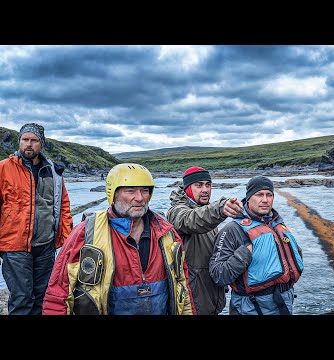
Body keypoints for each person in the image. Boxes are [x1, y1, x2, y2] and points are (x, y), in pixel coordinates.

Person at [42, 163, 195, 315]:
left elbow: (183, 289)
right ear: (112, 194)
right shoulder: (85, 234)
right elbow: (58, 295)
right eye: (130, 191)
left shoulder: (168, 234)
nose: (140, 198)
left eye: (145, 190)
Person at [0, 123, 73, 315]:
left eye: (34, 140)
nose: (29, 145)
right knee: (22, 299)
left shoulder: (53, 172)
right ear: (19, 142)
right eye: (25, 140)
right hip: (14, 247)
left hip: (46, 247)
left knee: (44, 297)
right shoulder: (3, 169)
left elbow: (63, 206)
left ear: (42, 144)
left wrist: (65, 242)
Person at [209, 175, 304, 315]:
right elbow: (218, 275)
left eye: (269, 195)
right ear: (248, 197)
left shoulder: (278, 224)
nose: (265, 200)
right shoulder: (232, 230)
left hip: (284, 301)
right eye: (259, 195)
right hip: (251, 306)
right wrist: (244, 254)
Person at [167, 166, 243, 315]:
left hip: (211, 295)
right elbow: (192, 220)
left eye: (208, 185)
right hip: (192, 300)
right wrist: (221, 208)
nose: (205, 190)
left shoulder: (206, 211)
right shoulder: (176, 212)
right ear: (188, 188)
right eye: (199, 185)